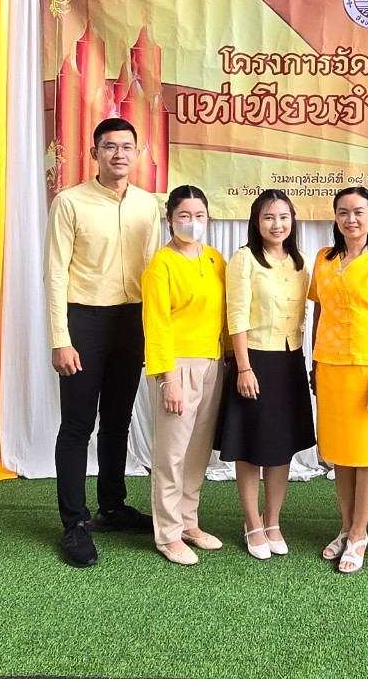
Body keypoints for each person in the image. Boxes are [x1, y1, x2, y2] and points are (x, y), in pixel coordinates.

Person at [44, 116, 160, 568]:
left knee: (118, 420)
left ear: (137, 153)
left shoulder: (148, 205)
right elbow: (55, 273)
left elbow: (155, 272)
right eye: (109, 147)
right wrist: (61, 339)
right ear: (95, 153)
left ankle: (112, 508)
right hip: (85, 322)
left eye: (126, 147)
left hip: (132, 322)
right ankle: (74, 523)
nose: (119, 154)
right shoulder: (70, 202)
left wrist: (153, 335)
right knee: (77, 425)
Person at [308, 186, 368, 574]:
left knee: (366, 454)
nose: (351, 219)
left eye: (359, 211)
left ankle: (361, 534)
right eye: (343, 212)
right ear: (335, 217)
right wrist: (314, 362)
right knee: (340, 452)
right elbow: (319, 313)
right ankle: (346, 527)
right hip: (330, 368)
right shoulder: (324, 259)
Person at [217, 190, 315, 560]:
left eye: (284, 217)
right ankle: (252, 522)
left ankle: (272, 520)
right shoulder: (244, 259)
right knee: (250, 445)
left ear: (292, 221)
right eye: (269, 217)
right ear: (256, 222)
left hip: (289, 361)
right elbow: (236, 316)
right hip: (254, 359)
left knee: (281, 445)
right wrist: (242, 367)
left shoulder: (300, 262)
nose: (277, 224)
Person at [143, 185, 229, 566]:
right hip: (177, 366)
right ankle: (167, 533)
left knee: (197, 451)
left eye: (199, 216)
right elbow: (156, 325)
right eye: (184, 216)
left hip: (213, 363)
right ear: (169, 220)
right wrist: (169, 379)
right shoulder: (161, 265)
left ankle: (188, 521)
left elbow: (225, 313)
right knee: (171, 453)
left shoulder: (214, 259)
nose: (192, 223)